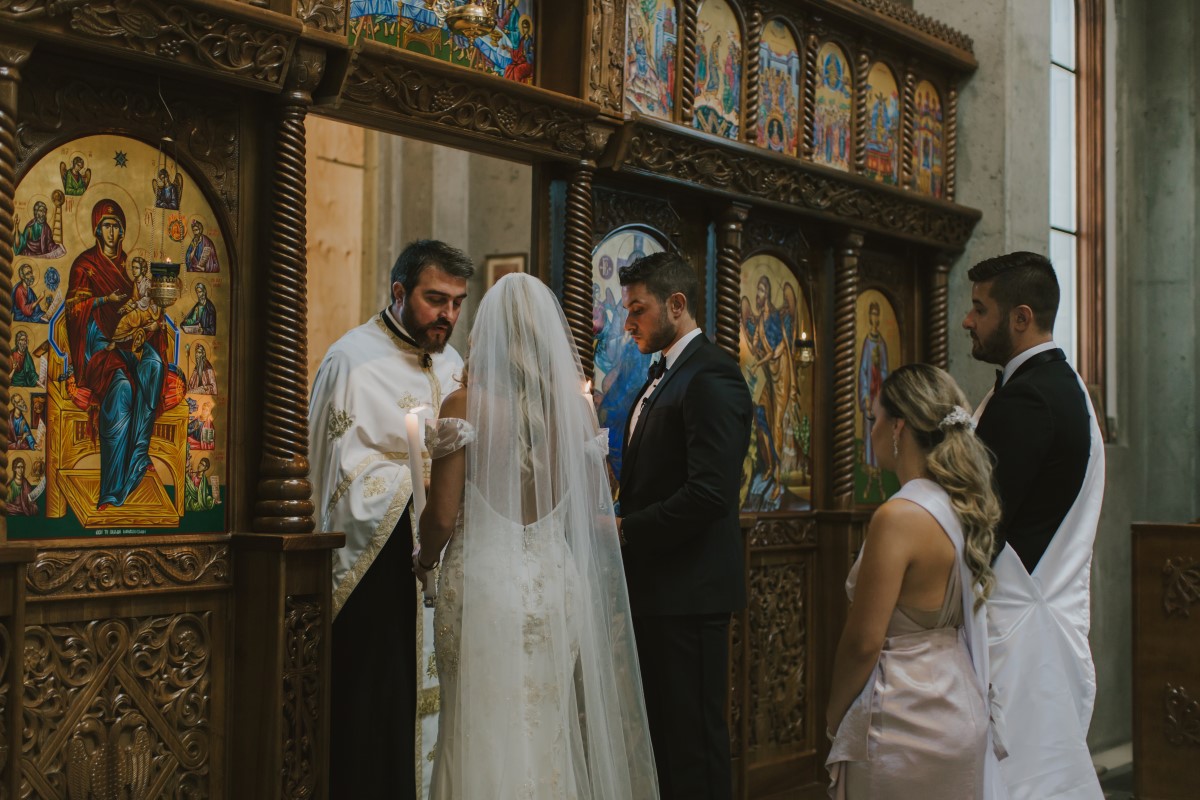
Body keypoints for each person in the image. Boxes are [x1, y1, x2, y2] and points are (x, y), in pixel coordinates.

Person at [414, 273, 658, 799]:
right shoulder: (573, 411)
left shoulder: (464, 405)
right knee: (543, 728)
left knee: (476, 724)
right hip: (553, 583)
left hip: (483, 584)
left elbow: (441, 516)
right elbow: (598, 499)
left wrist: (423, 556)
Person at [308, 239, 472, 799]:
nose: (447, 315)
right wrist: (423, 490)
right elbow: (334, 475)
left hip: (446, 571)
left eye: (456, 303)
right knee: (379, 712)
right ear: (399, 292)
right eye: (435, 299)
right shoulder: (350, 361)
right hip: (378, 580)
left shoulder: (453, 366)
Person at [962, 251, 1105, 800]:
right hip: (1039, 623)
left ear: (1021, 317)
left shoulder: (1028, 400)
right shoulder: (1062, 386)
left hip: (1016, 635)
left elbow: (981, 522)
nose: (969, 321)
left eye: (980, 308)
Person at [825, 364, 1005, 799]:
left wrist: (833, 718)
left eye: (874, 420)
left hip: (903, 720)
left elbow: (864, 642)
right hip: (960, 707)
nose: (871, 432)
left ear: (898, 427)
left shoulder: (898, 517)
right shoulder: (965, 506)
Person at [615, 251, 752, 800]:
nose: (629, 322)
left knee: (694, 744)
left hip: (690, 593)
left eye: (639, 309)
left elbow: (710, 494)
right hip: (658, 590)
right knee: (665, 742)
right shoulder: (665, 374)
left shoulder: (712, 374)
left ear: (677, 304)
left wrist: (626, 528)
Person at [66, 199, 179, 510]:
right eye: (106, 225)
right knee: (123, 390)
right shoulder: (84, 265)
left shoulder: (133, 267)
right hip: (98, 348)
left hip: (130, 342)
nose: (112, 231)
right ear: (96, 229)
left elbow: (145, 308)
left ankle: (138, 456)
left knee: (154, 365)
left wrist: (152, 327)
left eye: (116, 225)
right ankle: (113, 489)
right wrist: (104, 300)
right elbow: (74, 312)